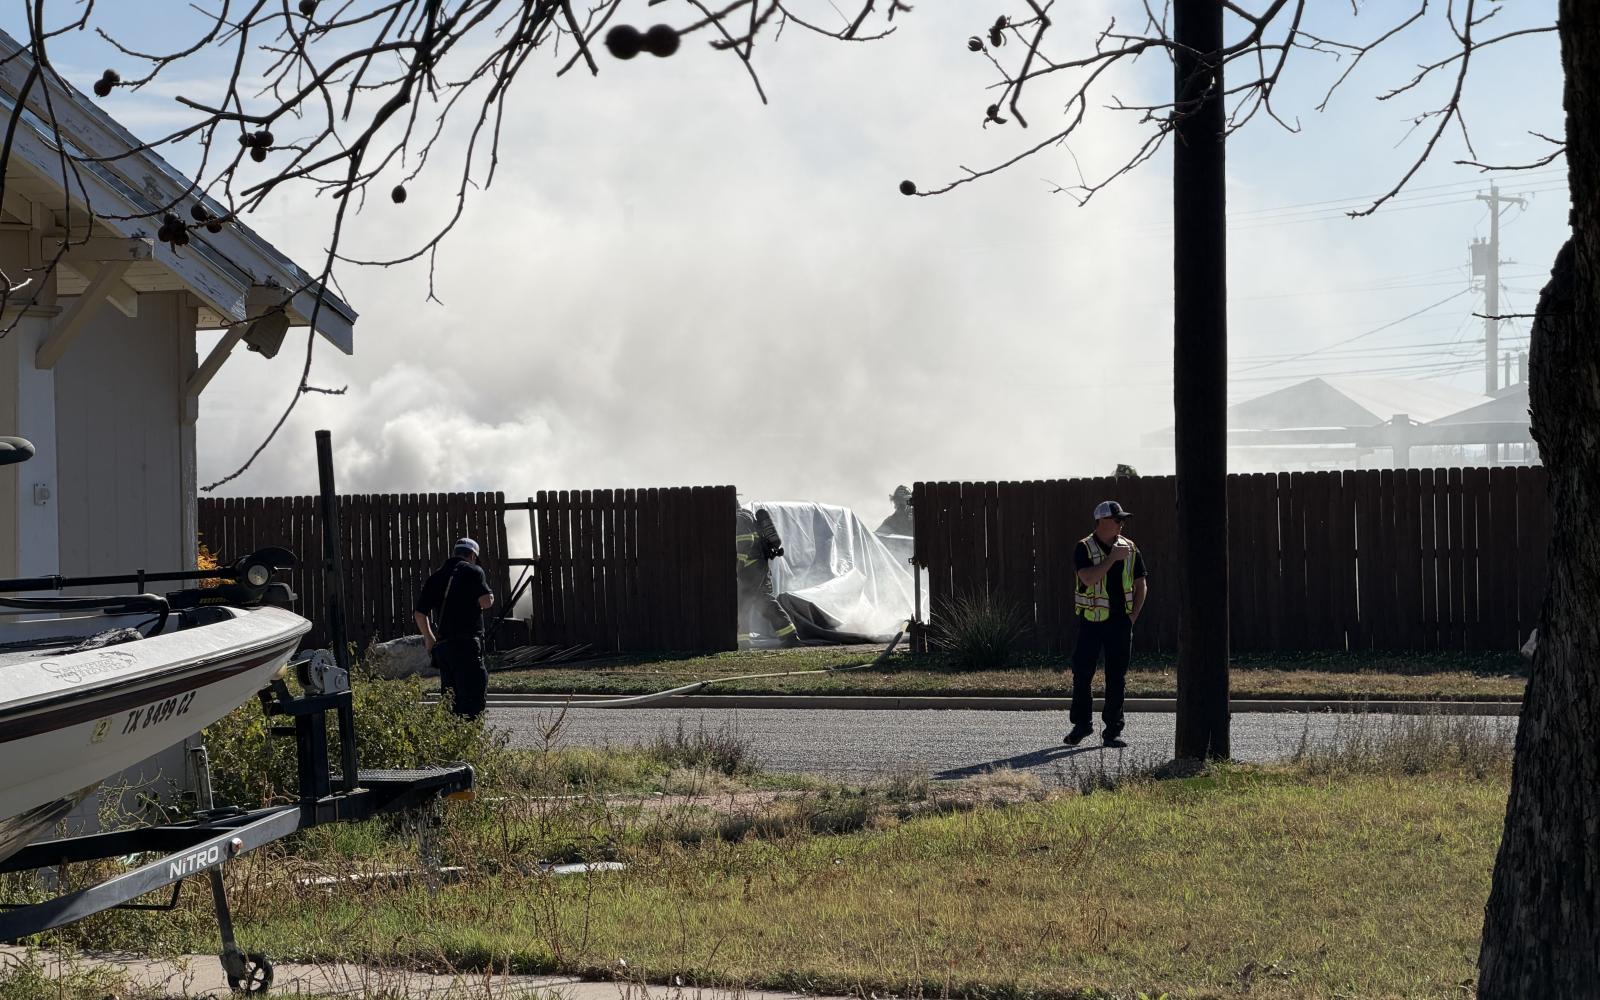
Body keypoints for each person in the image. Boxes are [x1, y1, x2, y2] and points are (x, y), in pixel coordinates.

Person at [1064, 500, 1149, 748]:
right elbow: (1088, 578)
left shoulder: (1130, 548)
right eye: (1117, 519)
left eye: (1123, 520)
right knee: (1082, 675)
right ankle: (1082, 725)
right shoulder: (1084, 548)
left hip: (1120, 622)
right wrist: (1112, 559)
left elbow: (1141, 583)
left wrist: (1132, 616)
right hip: (1091, 622)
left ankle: (1112, 731)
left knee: (1116, 678)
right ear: (1102, 522)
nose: (1122, 524)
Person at [413, 537, 495, 719]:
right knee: (473, 695)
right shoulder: (474, 571)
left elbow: (420, 613)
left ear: (455, 553)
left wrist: (429, 638)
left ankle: (452, 739)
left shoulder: (436, 576)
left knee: (451, 697)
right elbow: (486, 602)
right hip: (467, 645)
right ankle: (470, 740)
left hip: (443, 647)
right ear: (472, 555)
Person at [736, 506, 800, 646]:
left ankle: (742, 642)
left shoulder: (739, 518)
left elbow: (746, 540)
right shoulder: (749, 515)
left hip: (750, 568)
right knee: (764, 602)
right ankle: (789, 636)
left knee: (741, 604)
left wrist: (738, 565)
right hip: (760, 566)